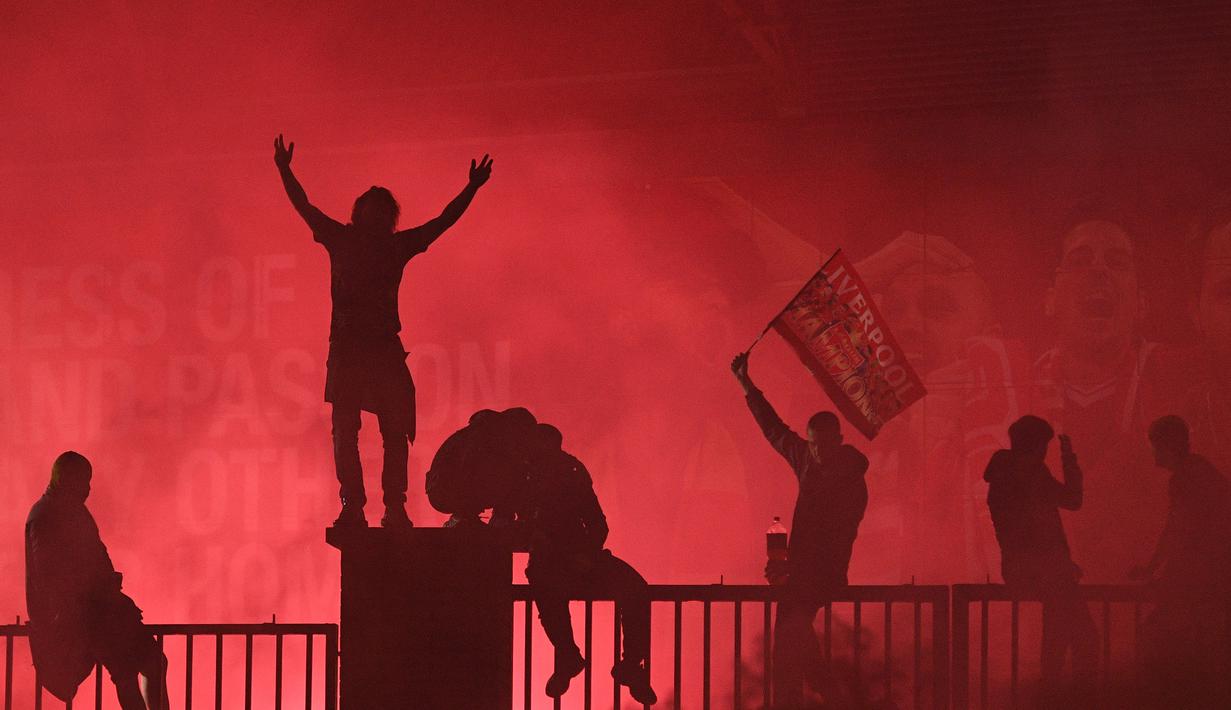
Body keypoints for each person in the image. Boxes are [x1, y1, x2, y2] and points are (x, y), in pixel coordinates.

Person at [274, 134, 493, 528]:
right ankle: (362, 506)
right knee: (353, 430)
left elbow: (441, 222)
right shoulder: (353, 241)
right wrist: (285, 171)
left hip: (376, 350)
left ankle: (388, 506)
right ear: (364, 215)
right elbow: (304, 207)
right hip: (355, 350)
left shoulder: (370, 244)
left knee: (385, 432)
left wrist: (471, 189)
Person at [731, 352, 868, 709]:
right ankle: (831, 693)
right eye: (814, 444)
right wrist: (747, 384)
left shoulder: (850, 482)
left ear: (838, 441)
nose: (819, 451)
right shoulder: (808, 459)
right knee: (791, 639)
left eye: (824, 444)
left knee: (789, 639)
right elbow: (774, 429)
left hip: (821, 572)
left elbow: (838, 536)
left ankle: (823, 695)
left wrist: (797, 567)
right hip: (803, 573)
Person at [520, 424, 657, 704]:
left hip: (576, 558)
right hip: (563, 561)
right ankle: (574, 656)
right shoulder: (536, 476)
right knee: (549, 587)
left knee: (634, 588)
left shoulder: (558, 474)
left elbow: (597, 524)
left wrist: (584, 554)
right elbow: (597, 524)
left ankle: (622, 663)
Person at [25, 452, 169, 710]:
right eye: (84, 481)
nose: (88, 488)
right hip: (91, 616)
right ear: (68, 479)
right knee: (131, 672)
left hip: (101, 612)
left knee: (147, 665)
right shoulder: (48, 516)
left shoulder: (63, 512)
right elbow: (51, 577)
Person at [983, 416, 1097, 703]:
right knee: (1081, 635)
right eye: (1044, 445)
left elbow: (1019, 529)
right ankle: (1074, 699)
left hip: (1019, 568)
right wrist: (1069, 459)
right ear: (1037, 445)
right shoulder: (1032, 471)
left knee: (1059, 633)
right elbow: (1072, 500)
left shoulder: (1000, 475)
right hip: (1047, 570)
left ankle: (1051, 695)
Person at [1128, 416, 1231, 707]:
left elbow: (1179, 531)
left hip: (1203, 579)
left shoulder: (1185, 478)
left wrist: (1162, 574)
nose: (1153, 454)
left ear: (1166, 446)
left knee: (1165, 638)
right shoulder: (1201, 471)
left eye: (1154, 446)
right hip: (1214, 575)